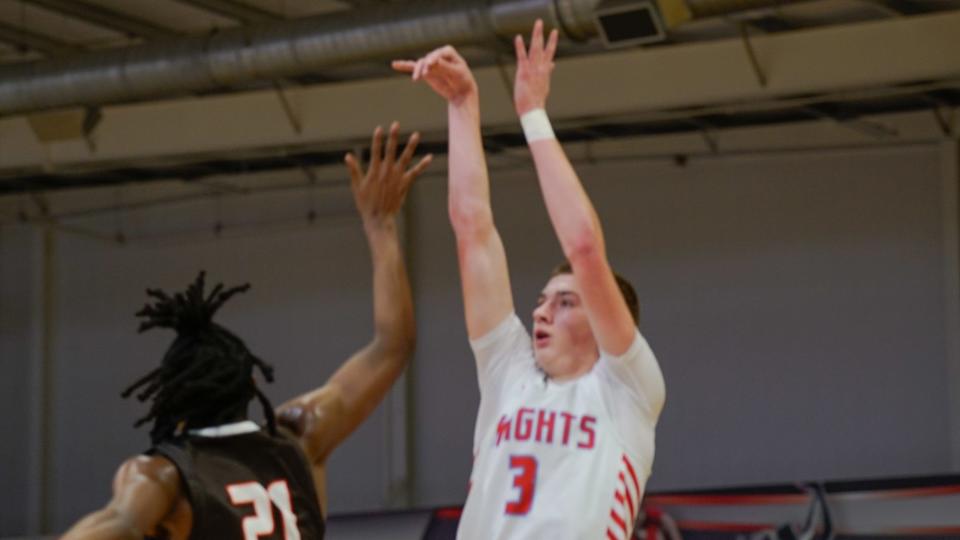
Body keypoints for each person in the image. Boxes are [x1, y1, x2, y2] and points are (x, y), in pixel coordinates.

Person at [61, 123, 432, 540]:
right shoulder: (301, 436)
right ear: (249, 382)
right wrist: (381, 228)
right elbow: (393, 346)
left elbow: (117, 525)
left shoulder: (163, 476)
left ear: (171, 403)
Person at [394, 20, 666, 540]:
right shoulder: (508, 373)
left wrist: (532, 114)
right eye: (541, 301)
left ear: (613, 323)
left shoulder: (627, 388)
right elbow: (472, 231)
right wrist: (462, 104)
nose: (540, 311)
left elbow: (584, 249)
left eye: (565, 303)